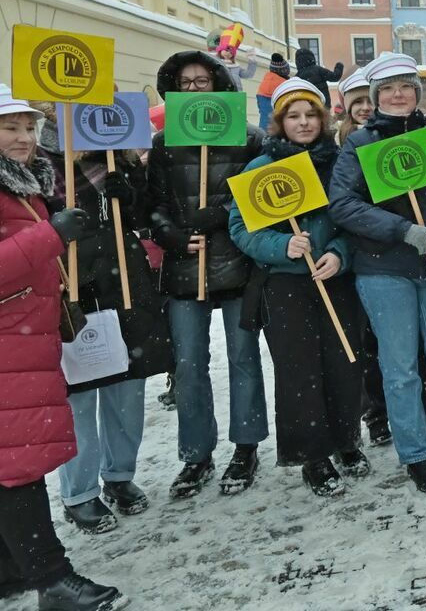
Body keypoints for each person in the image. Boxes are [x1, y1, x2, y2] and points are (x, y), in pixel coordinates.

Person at [329, 52, 426, 494]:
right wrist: (401, 228)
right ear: (377, 96)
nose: (398, 95)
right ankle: (416, 452)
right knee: (400, 370)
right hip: (384, 271)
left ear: (417, 93)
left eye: (406, 87)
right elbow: (343, 204)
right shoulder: (360, 145)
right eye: (389, 89)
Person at [0, 84, 126, 610]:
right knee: (18, 469)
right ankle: (53, 581)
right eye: (10, 128)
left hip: (22, 344)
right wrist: (50, 234)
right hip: (8, 350)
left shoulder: (21, 185)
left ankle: (9, 574)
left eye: (29, 127)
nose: (25, 137)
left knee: (9, 467)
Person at [228, 78, 367, 496]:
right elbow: (241, 227)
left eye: (310, 115)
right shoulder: (259, 168)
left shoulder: (340, 162)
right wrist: (281, 244)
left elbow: (355, 217)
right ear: (279, 122)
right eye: (293, 116)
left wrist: (340, 252)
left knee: (345, 359)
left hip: (335, 278)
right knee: (299, 369)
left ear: (323, 119)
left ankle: (345, 439)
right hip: (285, 284)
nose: (303, 123)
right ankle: (313, 455)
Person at [148, 50, 268, 498]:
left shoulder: (248, 137)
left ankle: (246, 446)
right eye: (186, 82)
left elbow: (256, 196)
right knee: (190, 365)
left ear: (218, 84)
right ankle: (196, 454)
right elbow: (153, 205)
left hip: (238, 261)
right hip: (185, 267)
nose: (195, 88)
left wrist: (217, 214)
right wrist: (175, 236)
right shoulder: (163, 144)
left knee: (242, 358)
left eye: (203, 80)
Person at [57, 147, 168, 534]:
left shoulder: (121, 161)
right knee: (80, 397)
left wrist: (130, 196)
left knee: (127, 390)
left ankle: (119, 474)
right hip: (76, 292)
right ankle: (79, 493)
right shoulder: (47, 165)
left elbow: (144, 218)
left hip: (125, 287)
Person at [332, 69, 390, 446]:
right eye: (359, 103)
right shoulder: (338, 146)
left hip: (385, 252)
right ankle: (376, 412)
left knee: (392, 341)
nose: (366, 109)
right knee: (365, 343)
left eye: (370, 101)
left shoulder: (390, 138)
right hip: (349, 257)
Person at [256, 53, 290, 129]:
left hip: (264, 127)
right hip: (278, 129)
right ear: (284, 71)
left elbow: (259, 105)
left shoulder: (265, 81)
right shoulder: (284, 84)